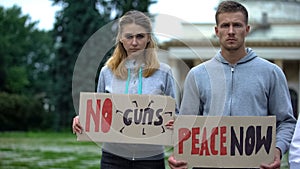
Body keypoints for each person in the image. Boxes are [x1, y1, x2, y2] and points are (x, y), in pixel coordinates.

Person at [168, 1, 296, 169]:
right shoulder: (197, 75)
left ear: (247, 29)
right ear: (216, 31)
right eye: (225, 25)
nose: (230, 31)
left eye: (237, 25)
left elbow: (286, 121)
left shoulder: (271, 72)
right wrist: (179, 154)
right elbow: (187, 125)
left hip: (255, 165)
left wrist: (277, 149)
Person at [72, 10, 177, 169]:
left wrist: (175, 120)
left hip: (151, 156)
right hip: (113, 156)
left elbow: (176, 113)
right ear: (121, 38)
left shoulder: (164, 72)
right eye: (129, 36)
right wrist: (82, 119)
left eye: (140, 36)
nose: (134, 42)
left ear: (148, 38)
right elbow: (100, 111)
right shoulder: (107, 72)